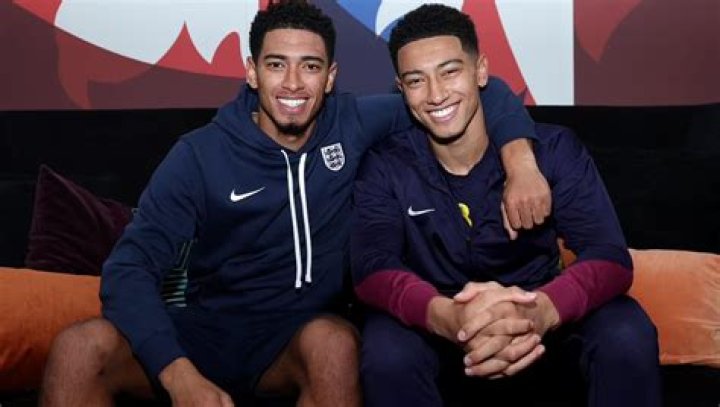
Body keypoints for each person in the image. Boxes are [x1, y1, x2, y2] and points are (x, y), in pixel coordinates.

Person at [40, 1, 551, 406]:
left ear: (330, 77)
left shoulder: (353, 123)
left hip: (298, 336)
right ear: (252, 72)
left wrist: (521, 164)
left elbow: (486, 91)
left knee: (334, 345)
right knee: (77, 348)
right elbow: (129, 269)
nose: (291, 84)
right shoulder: (199, 154)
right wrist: (178, 375)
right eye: (276, 65)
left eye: (309, 67)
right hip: (207, 329)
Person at [351, 4, 662, 407]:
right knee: (386, 352)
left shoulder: (553, 150)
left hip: (545, 320)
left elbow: (610, 258)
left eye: (450, 72)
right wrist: (445, 316)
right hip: (441, 325)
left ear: (480, 71)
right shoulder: (386, 164)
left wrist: (542, 310)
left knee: (627, 331)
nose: (436, 94)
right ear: (401, 88)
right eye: (416, 80)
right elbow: (372, 268)